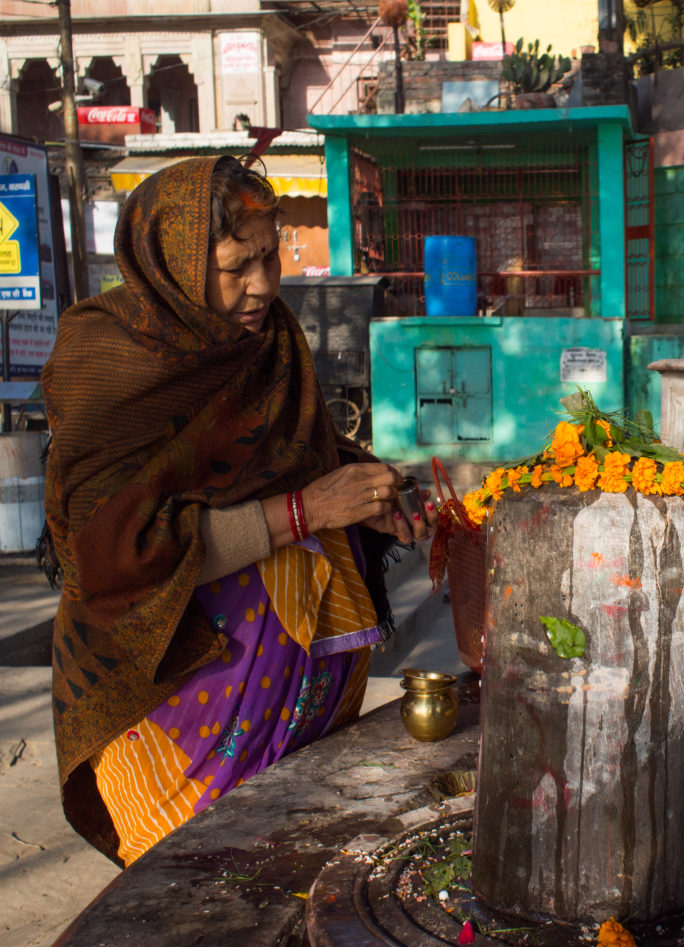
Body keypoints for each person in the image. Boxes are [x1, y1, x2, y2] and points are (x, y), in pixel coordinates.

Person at [40, 156, 435, 866]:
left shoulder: (271, 342)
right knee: (193, 895)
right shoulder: (108, 360)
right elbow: (112, 554)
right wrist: (308, 511)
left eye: (269, 257)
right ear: (174, 262)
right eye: (235, 266)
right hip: (178, 701)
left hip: (293, 703)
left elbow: (295, 456)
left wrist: (362, 494)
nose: (262, 285)